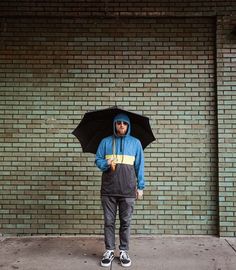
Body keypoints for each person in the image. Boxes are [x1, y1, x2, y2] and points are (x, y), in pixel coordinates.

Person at [95, 113, 145, 268]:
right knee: (109, 222)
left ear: (128, 125)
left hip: (128, 190)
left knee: (125, 222)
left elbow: (140, 166)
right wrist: (106, 163)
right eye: (118, 123)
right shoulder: (105, 142)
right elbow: (97, 160)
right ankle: (109, 250)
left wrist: (141, 186)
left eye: (124, 123)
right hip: (109, 189)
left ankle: (123, 250)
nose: (121, 125)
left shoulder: (136, 143)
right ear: (114, 125)